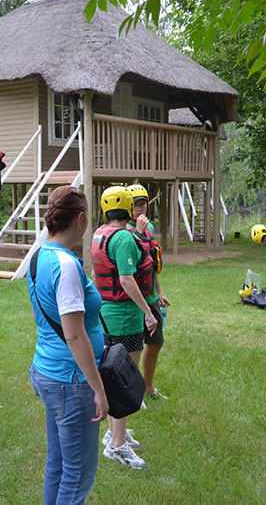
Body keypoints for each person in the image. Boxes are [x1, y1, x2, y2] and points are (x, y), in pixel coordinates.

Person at [27, 186, 108, 505]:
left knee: (59, 465)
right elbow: (74, 336)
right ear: (80, 219)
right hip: (71, 382)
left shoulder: (39, 256)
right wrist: (98, 389)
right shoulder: (67, 265)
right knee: (77, 476)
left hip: (49, 373)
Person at [91, 185, 157, 470]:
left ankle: (113, 433)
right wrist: (148, 313)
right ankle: (117, 445)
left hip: (107, 314)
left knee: (114, 374)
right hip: (125, 317)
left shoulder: (99, 233)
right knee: (123, 381)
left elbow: (96, 273)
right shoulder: (124, 238)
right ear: (129, 208)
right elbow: (127, 280)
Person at [126, 184, 170, 402]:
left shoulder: (149, 228)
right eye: (135, 205)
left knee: (156, 343)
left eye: (143, 204)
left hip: (151, 296)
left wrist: (159, 292)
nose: (139, 209)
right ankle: (133, 393)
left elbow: (150, 263)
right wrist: (138, 232)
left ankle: (148, 387)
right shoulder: (124, 231)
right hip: (133, 299)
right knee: (133, 348)